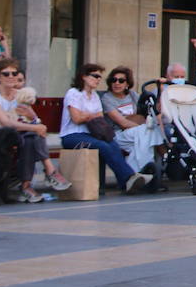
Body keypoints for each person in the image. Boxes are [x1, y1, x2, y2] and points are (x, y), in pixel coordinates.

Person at [0, 59, 67, 201]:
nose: (11, 76)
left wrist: (33, 119)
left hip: (14, 135)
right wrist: (36, 126)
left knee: (31, 139)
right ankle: (50, 171)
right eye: (6, 74)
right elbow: (4, 122)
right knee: (31, 133)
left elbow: (34, 120)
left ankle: (26, 185)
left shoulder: (20, 94)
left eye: (14, 73)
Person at [61, 63, 150, 195]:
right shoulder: (74, 93)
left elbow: (98, 117)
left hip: (90, 134)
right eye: (95, 76)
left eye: (99, 77)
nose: (98, 79)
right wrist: (91, 116)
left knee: (112, 144)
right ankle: (129, 178)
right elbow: (76, 118)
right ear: (84, 76)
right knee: (103, 146)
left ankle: (126, 182)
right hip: (72, 136)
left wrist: (87, 115)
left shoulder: (95, 96)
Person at [100, 66, 163, 181]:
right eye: (113, 80)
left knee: (138, 147)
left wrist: (161, 89)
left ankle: (133, 178)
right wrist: (142, 127)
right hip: (118, 134)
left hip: (135, 136)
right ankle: (149, 171)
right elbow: (122, 123)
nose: (117, 83)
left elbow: (150, 111)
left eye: (121, 81)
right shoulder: (107, 98)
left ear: (127, 84)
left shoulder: (133, 95)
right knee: (147, 133)